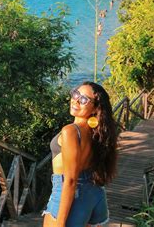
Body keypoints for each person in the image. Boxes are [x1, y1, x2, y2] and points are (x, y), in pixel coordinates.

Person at [42, 82, 118, 227]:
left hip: (72, 196)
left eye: (84, 99)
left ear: (95, 108)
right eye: (76, 94)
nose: (76, 100)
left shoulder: (70, 131)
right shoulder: (98, 131)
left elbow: (70, 180)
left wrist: (60, 223)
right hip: (95, 195)